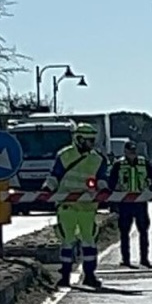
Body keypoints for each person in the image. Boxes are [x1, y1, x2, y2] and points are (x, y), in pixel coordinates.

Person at [42, 122, 108, 289]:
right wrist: (46, 189)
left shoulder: (98, 159)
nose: (92, 144)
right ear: (79, 139)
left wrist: (105, 190)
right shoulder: (65, 155)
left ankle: (90, 275)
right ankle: (64, 276)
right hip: (67, 206)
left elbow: (101, 180)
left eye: (93, 140)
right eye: (89, 140)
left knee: (89, 242)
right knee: (67, 241)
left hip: (88, 207)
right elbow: (54, 176)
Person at [107, 141, 152, 268]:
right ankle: (125, 260)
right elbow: (111, 183)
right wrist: (114, 199)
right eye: (130, 151)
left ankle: (144, 259)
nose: (133, 154)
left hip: (140, 202)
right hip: (125, 203)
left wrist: (150, 190)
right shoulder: (119, 165)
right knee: (124, 232)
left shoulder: (143, 163)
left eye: (134, 151)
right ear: (125, 152)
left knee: (143, 231)